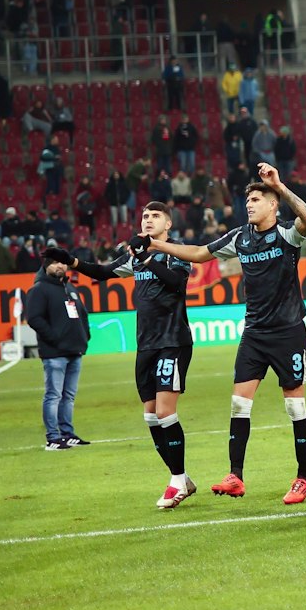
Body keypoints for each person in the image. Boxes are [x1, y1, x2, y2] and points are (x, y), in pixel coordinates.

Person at [147, 164, 306, 506]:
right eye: (249, 200)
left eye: (257, 199)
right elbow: (199, 254)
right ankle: (236, 476)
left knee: (295, 407)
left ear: (273, 205)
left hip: (288, 333)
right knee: (239, 404)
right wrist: (158, 245)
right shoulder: (240, 237)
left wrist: (280, 186)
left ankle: (304, 478)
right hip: (254, 333)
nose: (250, 205)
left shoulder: (288, 233)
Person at [75, 203, 195, 505]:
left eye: (155, 216)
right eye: (145, 216)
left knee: (166, 412)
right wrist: (73, 261)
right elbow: (102, 272)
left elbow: (176, 283)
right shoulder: (136, 259)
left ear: (167, 224)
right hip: (146, 345)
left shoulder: (175, 252)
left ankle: (177, 482)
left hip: (173, 341)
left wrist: (144, 255)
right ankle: (181, 477)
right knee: (151, 416)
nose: (149, 219)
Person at [25, 247, 91, 452]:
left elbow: (82, 314)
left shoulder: (70, 288)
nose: (60, 265)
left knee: (68, 396)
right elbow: (34, 318)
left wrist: (85, 336)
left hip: (74, 350)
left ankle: (67, 434)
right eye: (55, 262)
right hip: (54, 353)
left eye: (63, 262)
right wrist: (54, 339)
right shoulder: (39, 290)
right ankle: (53, 437)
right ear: (46, 266)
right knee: (54, 395)